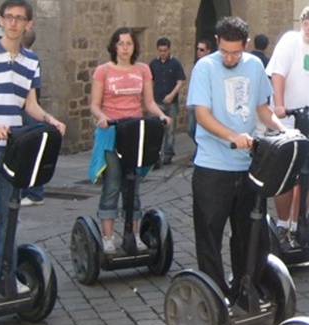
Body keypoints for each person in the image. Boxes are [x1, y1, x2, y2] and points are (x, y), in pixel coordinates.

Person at [0, 0, 67, 298]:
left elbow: (29, 104)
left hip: (12, 150)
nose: (14, 23)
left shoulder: (31, 61)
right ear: (0, 20)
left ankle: (4, 275)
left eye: (20, 19)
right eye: (9, 17)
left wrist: (50, 119)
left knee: (9, 217)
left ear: (28, 24)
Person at [188, 16, 286, 304]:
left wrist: (282, 130)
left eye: (236, 52)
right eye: (225, 51)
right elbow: (203, 115)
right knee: (209, 236)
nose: (230, 58)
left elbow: (262, 109)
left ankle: (246, 288)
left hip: (247, 167)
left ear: (245, 45)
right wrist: (233, 136)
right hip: (212, 168)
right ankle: (216, 297)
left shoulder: (255, 65)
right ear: (218, 42)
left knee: (249, 234)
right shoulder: (205, 67)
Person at [87, 27, 171, 254]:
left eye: (129, 43)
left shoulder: (143, 70)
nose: (125, 48)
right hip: (111, 133)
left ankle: (133, 233)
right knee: (113, 184)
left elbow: (149, 102)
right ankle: (107, 237)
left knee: (132, 186)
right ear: (114, 46)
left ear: (135, 47)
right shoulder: (103, 71)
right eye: (121, 43)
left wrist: (161, 115)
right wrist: (102, 117)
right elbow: (94, 104)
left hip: (134, 133)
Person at [265, 5, 309, 249]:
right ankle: (283, 223)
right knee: (286, 174)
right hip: (286, 120)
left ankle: (298, 223)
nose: (307, 28)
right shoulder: (290, 41)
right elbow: (278, 74)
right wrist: (280, 105)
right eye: (305, 23)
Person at [19, 28, 46, 206]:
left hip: (25, 109)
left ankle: (35, 192)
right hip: (26, 108)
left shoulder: (28, 60)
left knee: (29, 151)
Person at [150, 37, 186, 168]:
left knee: (170, 131)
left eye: (164, 50)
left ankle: (168, 154)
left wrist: (172, 95)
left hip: (171, 103)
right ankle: (156, 155)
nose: (162, 53)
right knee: (157, 130)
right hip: (157, 101)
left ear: (169, 50)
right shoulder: (154, 64)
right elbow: (150, 81)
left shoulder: (175, 64)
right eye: (160, 51)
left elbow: (180, 81)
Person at [186, 38, 214, 149]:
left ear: (208, 51)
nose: (198, 51)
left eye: (202, 49)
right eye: (197, 49)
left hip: (204, 103)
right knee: (190, 129)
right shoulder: (197, 64)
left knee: (200, 129)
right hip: (194, 103)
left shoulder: (210, 66)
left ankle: (199, 151)